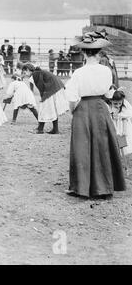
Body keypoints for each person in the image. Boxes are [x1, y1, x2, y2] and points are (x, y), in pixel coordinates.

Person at [64, 31, 125, 199]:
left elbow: (72, 97)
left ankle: (81, 188)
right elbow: (109, 93)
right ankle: (104, 187)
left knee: (81, 147)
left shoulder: (78, 73)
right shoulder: (106, 71)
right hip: (100, 107)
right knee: (103, 146)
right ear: (99, 53)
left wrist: (73, 110)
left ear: (83, 52)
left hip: (83, 108)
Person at [22, 63, 68, 134]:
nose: (24, 75)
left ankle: (40, 129)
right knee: (52, 109)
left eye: (24, 72)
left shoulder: (35, 74)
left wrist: (43, 98)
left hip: (53, 89)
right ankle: (55, 130)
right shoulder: (37, 73)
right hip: (57, 88)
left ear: (28, 70)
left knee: (43, 108)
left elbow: (41, 87)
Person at [110, 89, 132, 158]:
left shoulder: (125, 105)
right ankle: (115, 154)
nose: (118, 105)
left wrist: (119, 116)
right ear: (111, 101)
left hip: (122, 126)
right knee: (114, 139)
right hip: (114, 124)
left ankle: (122, 155)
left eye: (120, 103)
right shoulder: (109, 106)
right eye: (115, 103)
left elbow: (127, 115)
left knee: (122, 140)